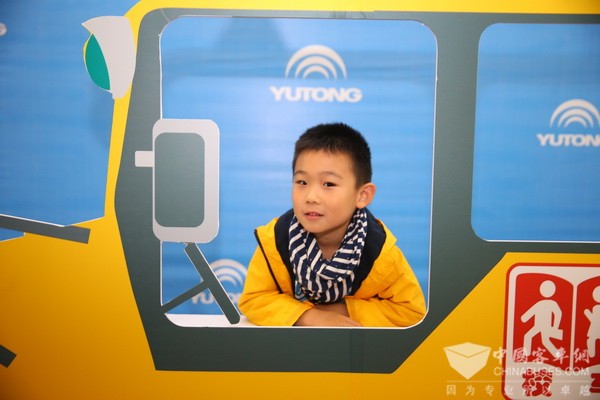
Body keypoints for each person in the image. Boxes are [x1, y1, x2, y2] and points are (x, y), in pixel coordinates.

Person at [238, 123, 426, 327]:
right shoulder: (276, 240)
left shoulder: (380, 252)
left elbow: (411, 311)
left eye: (328, 184)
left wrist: (339, 312)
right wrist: (310, 316)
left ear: (362, 195)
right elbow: (254, 299)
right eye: (302, 182)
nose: (311, 197)